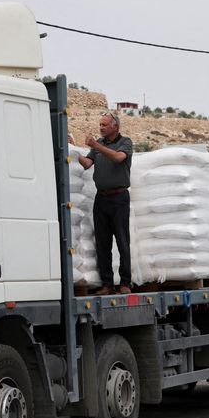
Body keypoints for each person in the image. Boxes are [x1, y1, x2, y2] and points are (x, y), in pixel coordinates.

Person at [73, 113, 134, 295]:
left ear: (115, 126)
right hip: (102, 198)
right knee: (102, 242)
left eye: (105, 125)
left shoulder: (125, 142)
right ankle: (107, 284)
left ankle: (125, 283)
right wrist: (73, 153)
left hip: (119, 198)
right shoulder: (99, 144)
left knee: (122, 241)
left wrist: (96, 145)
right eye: (100, 124)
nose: (101, 127)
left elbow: (118, 158)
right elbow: (86, 164)